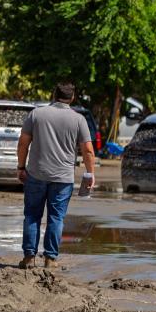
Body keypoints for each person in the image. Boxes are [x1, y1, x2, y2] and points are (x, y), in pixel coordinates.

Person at [16, 82, 95, 269]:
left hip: (36, 174)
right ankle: (50, 259)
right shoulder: (78, 120)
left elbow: (23, 143)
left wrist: (20, 167)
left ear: (53, 94)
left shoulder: (36, 114)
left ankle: (29, 258)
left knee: (32, 216)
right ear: (72, 97)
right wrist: (90, 173)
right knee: (56, 218)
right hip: (63, 178)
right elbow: (88, 150)